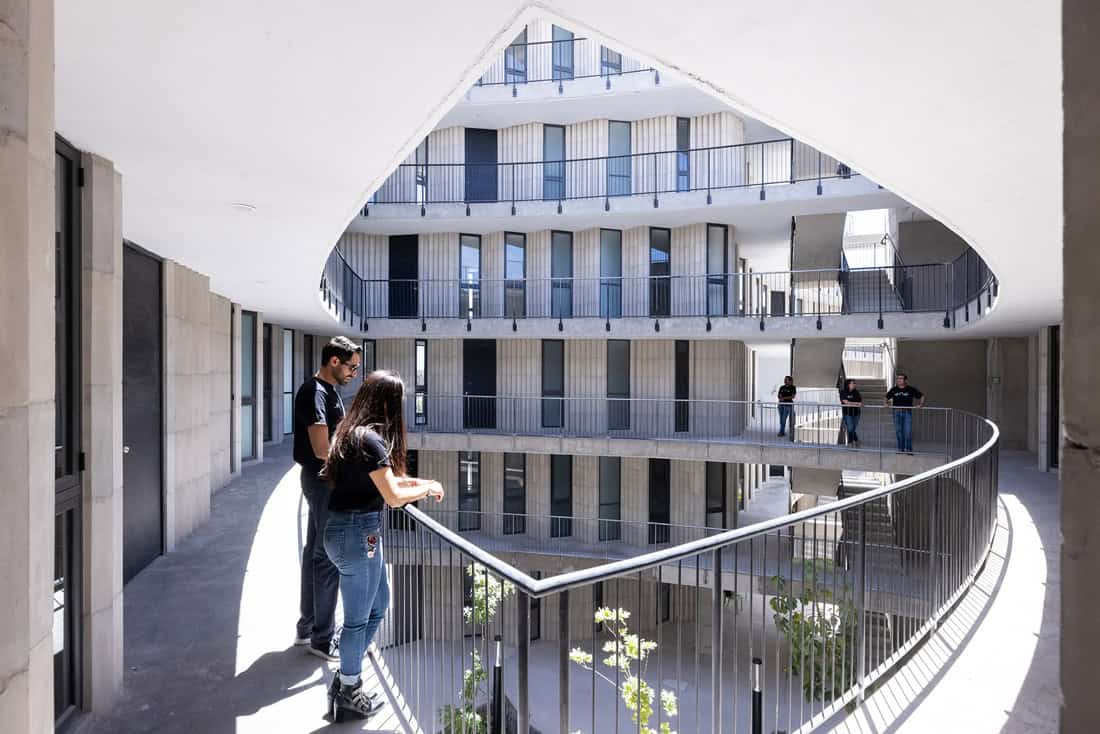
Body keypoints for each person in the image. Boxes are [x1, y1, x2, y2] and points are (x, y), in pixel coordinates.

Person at [321, 370, 445, 721]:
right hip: (358, 535)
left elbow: (386, 481)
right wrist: (427, 488)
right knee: (357, 621)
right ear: (387, 403)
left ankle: (347, 675)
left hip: (351, 531)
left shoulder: (352, 433)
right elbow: (392, 497)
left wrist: (422, 482)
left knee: (379, 605)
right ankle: (348, 689)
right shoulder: (371, 441)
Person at [293, 336, 362, 662]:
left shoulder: (328, 391)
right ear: (334, 361)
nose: (354, 374)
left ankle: (307, 628)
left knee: (314, 553)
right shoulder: (314, 392)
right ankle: (322, 639)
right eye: (351, 367)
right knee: (326, 558)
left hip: (322, 482)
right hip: (322, 483)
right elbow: (323, 449)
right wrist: (357, 457)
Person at [885, 373, 925, 453]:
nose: (899, 380)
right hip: (896, 412)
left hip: (907, 412)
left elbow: (922, 396)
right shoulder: (894, 389)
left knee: (908, 432)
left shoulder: (910, 389)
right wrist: (885, 403)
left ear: (905, 380)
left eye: (901, 378)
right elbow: (886, 397)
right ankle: (900, 449)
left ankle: (909, 449)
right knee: (898, 431)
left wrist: (921, 404)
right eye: (898, 378)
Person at [839, 379, 863, 447]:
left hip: (856, 413)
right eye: (853, 383)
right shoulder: (843, 392)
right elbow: (845, 402)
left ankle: (857, 441)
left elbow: (860, 402)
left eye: (855, 383)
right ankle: (851, 443)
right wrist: (856, 403)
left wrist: (853, 403)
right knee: (850, 428)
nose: (854, 384)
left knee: (852, 429)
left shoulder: (856, 392)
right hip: (847, 413)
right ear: (848, 385)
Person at [777, 376, 796, 440]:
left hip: (788, 405)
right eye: (784, 379)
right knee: (781, 419)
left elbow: (793, 396)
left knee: (784, 418)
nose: (784, 381)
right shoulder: (781, 387)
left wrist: (783, 398)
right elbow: (779, 395)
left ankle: (782, 432)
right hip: (780, 405)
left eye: (786, 380)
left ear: (790, 381)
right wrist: (779, 397)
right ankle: (782, 431)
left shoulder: (793, 387)